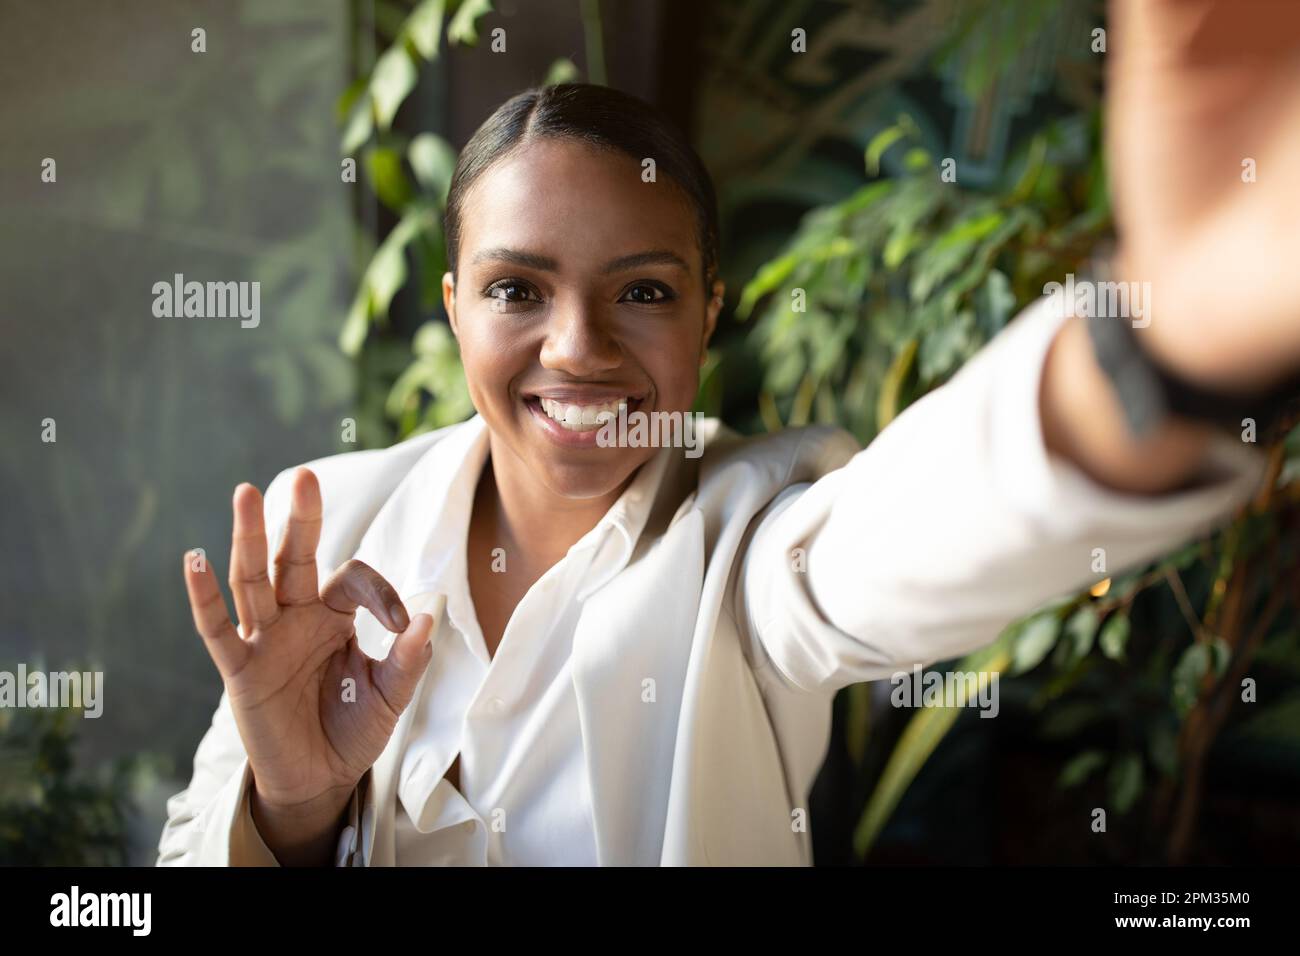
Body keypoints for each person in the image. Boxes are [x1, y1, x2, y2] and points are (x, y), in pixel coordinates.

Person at [158, 2, 1300, 866]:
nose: (575, 347)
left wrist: (1166, 346)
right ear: (452, 303)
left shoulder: (753, 542)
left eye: (643, 292)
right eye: (516, 289)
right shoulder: (331, 526)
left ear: (709, 309)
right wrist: (293, 808)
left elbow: (903, 536)